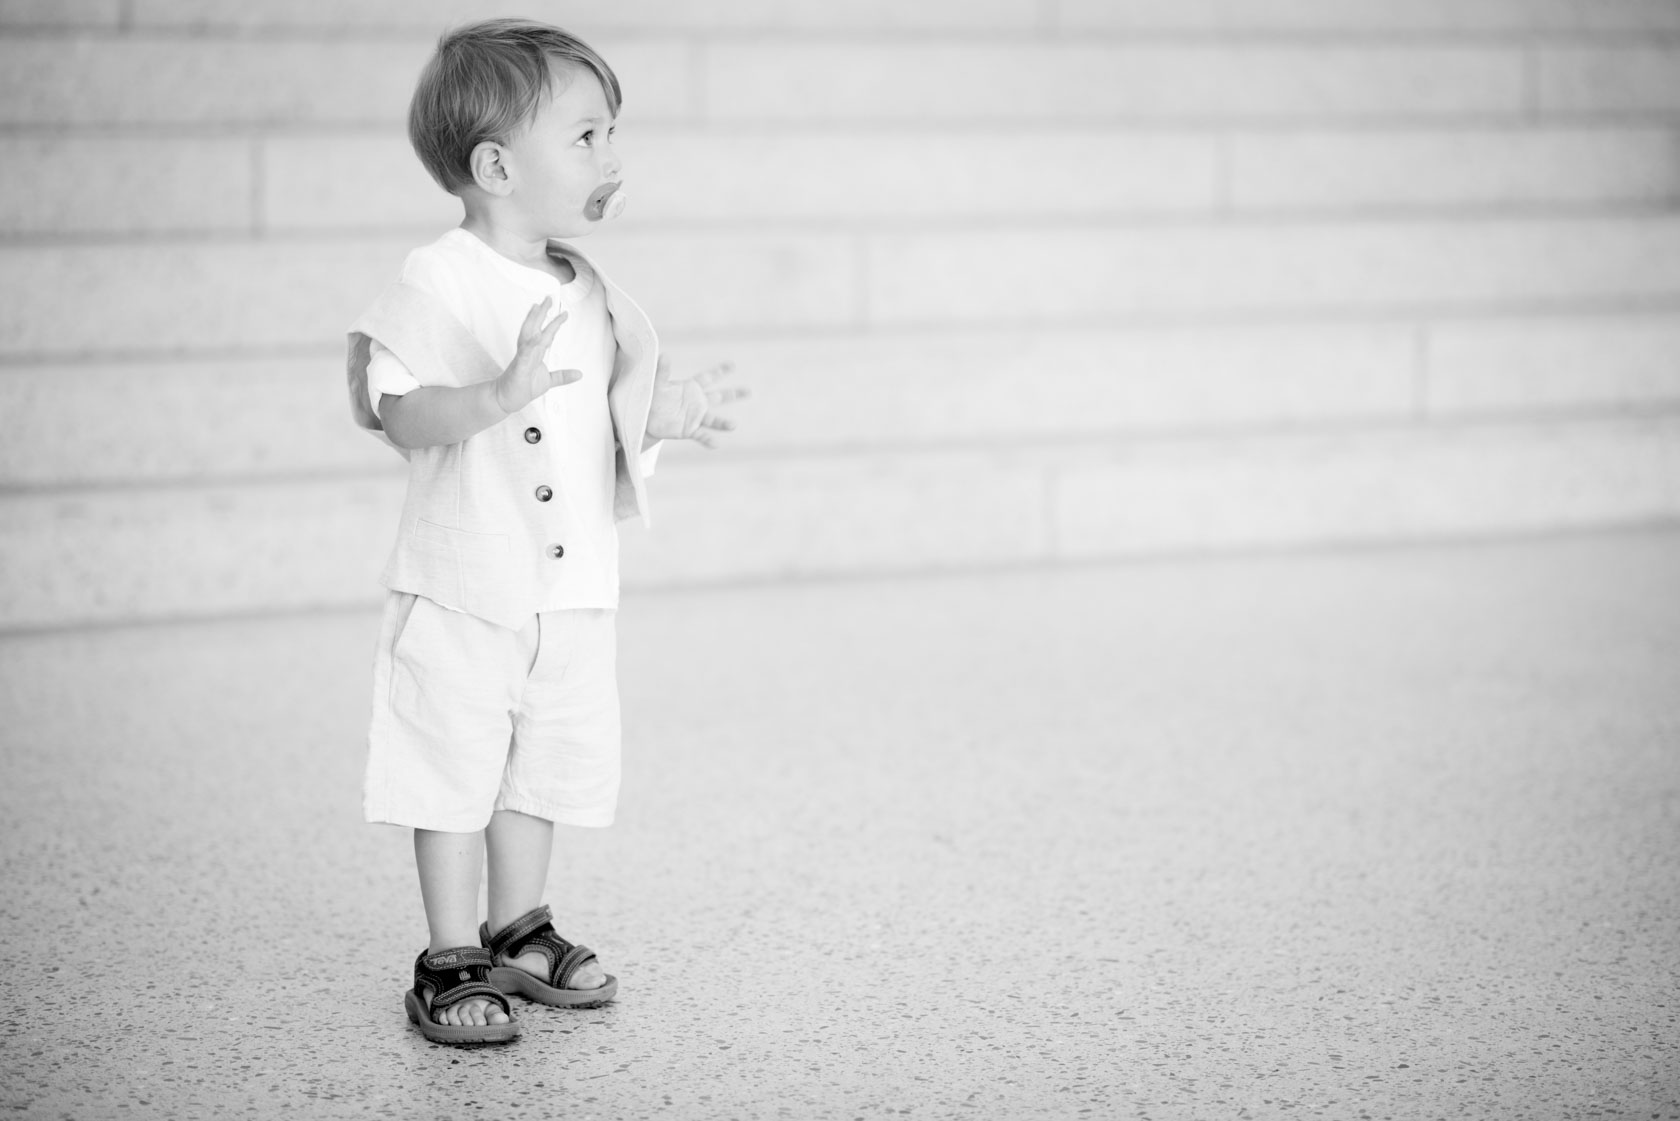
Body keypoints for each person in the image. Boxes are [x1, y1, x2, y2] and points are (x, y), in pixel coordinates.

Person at [345, 17, 744, 1045]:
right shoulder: (441, 277)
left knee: (544, 760)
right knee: (453, 760)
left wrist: (669, 410)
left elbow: (598, 417)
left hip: (571, 590)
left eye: (613, 134)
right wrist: (494, 390)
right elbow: (397, 407)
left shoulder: (589, 288)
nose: (613, 157)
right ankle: (447, 955)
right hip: (470, 584)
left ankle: (520, 924)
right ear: (495, 166)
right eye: (588, 136)